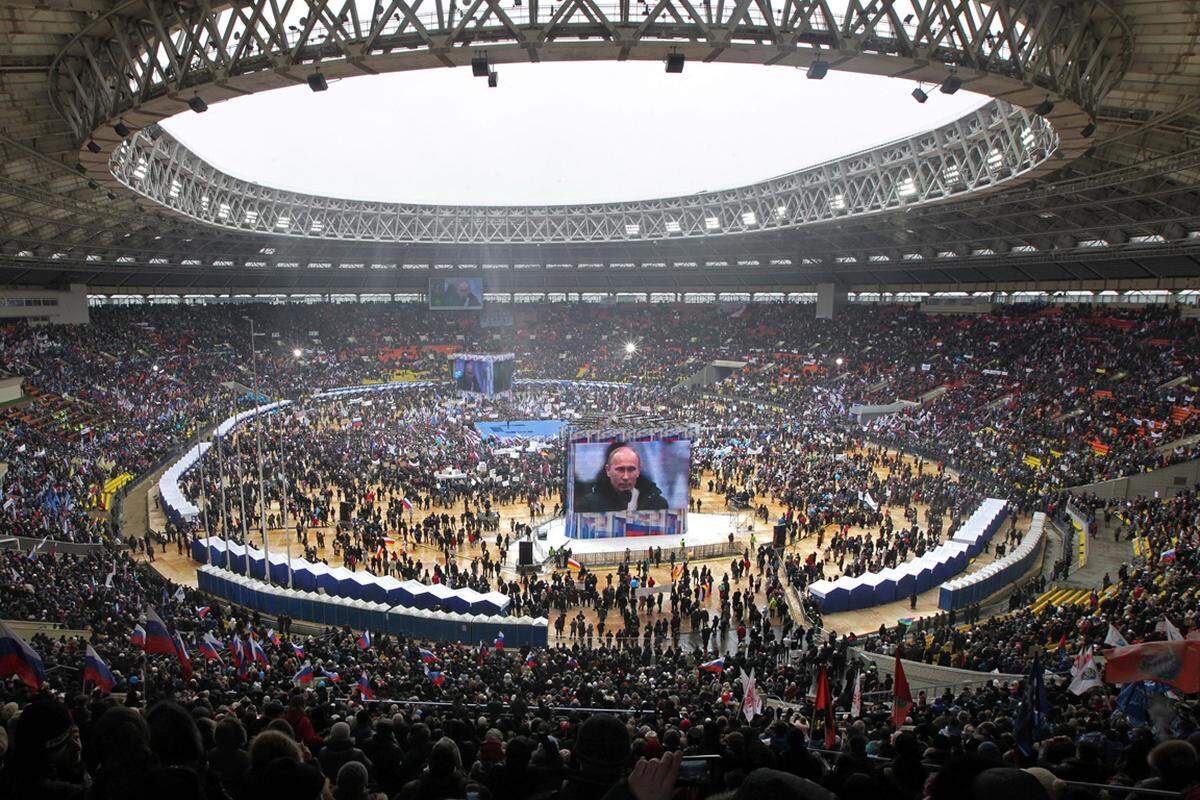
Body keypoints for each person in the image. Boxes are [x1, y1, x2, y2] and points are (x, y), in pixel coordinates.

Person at [575, 443, 670, 513]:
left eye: (631, 469)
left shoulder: (658, 504)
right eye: (620, 470)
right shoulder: (589, 506)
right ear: (608, 470)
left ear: (639, 471)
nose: (625, 477)